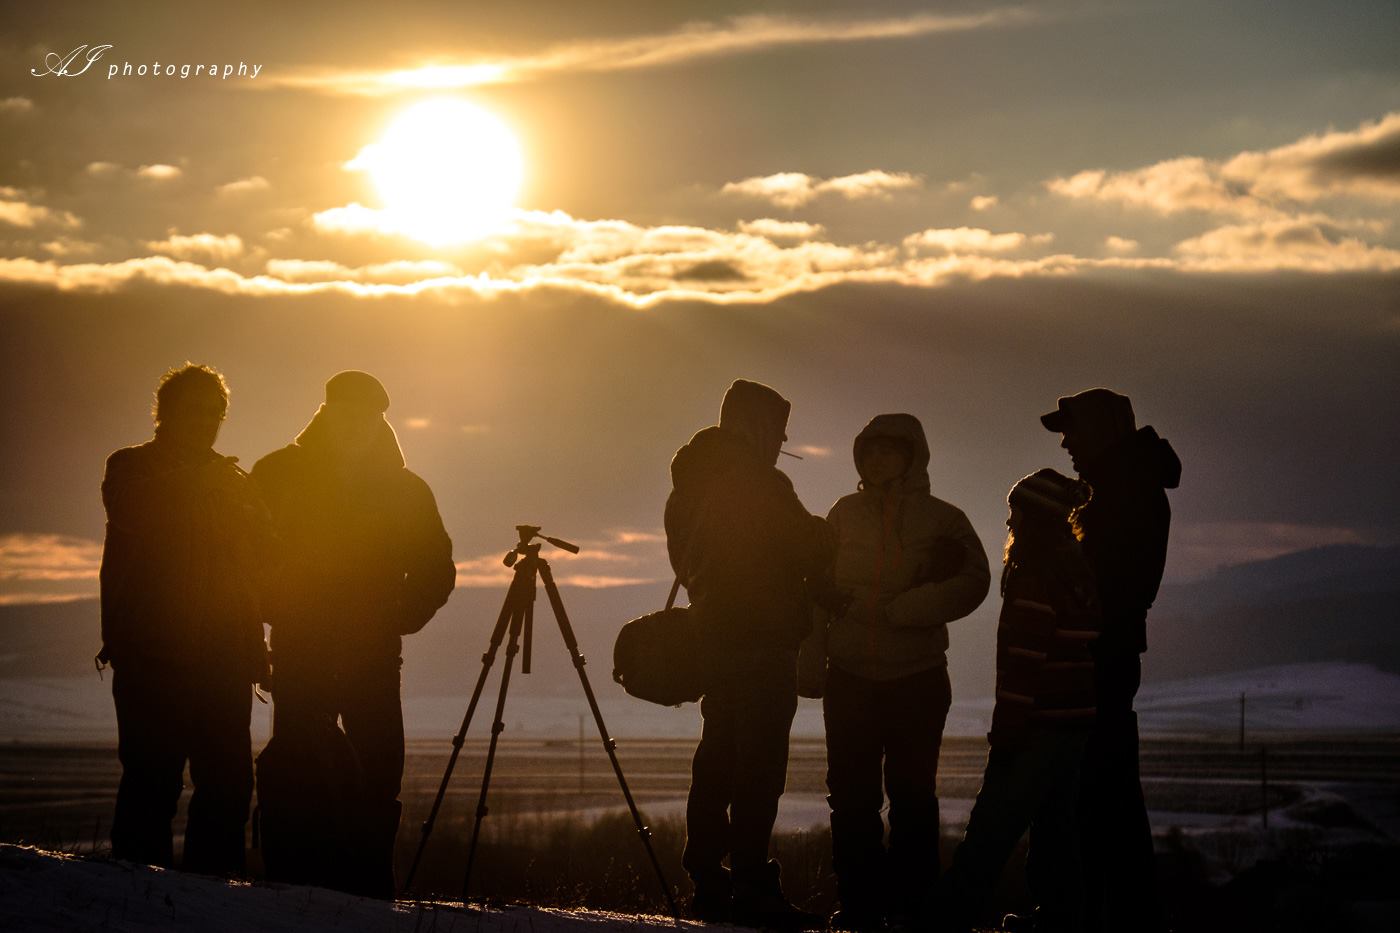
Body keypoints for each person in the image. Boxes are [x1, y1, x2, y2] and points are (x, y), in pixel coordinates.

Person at [251, 370, 455, 898]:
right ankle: (293, 888)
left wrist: (397, 618)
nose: (358, 426)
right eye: (349, 414)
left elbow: (435, 568)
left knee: (377, 773)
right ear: (327, 413)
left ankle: (368, 893)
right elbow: (246, 560)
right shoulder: (277, 474)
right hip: (302, 648)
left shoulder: (404, 489)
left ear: (379, 421)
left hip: (372, 653)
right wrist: (281, 611)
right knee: (298, 770)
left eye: (368, 417)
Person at [664, 378, 834, 928]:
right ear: (760, 428)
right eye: (778, 433)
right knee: (758, 769)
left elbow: (686, 563)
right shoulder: (761, 483)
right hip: (763, 643)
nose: (779, 443)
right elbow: (802, 543)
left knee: (715, 762)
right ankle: (753, 889)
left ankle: (708, 881)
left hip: (714, 639)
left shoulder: (689, 482)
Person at [813, 413, 990, 931]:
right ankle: (861, 906)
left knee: (913, 797)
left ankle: (914, 907)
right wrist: (811, 656)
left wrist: (906, 609)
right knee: (851, 798)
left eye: (889, 451)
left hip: (916, 678)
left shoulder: (944, 519)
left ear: (913, 456)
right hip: (848, 676)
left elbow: (974, 581)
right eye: (870, 451)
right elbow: (817, 588)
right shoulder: (843, 515)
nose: (877, 460)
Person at [99, 363, 273, 876]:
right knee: (152, 781)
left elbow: (264, 560)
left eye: (215, 412)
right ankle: (135, 893)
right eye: (194, 410)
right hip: (153, 654)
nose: (206, 421)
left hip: (224, 656)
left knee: (228, 784)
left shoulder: (234, 481)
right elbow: (135, 513)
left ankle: (211, 895)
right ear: (165, 412)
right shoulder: (131, 467)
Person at [935, 469, 1100, 933]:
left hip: (1037, 724)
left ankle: (950, 915)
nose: (1010, 524)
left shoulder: (1034, 578)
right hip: (1075, 724)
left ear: (1033, 519)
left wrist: (1007, 729)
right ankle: (1061, 915)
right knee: (1056, 826)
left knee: (992, 827)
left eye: (1015, 514)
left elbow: (1025, 662)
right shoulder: (1078, 573)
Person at [1040, 388, 1180, 932]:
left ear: (1100, 431)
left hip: (1101, 654)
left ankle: (1101, 913)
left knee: (1099, 788)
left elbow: (1107, 584)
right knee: (1107, 787)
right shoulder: (1124, 486)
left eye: (1072, 432)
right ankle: (1118, 912)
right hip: (1110, 651)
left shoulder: (1123, 493)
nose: (1066, 444)